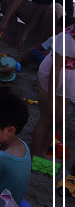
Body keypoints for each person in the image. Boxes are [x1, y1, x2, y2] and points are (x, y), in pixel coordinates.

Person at [31, 23, 75, 156]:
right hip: (51, 76)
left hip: (69, 77)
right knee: (47, 116)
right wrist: (51, 100)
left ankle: (43, 152)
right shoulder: (66, 38)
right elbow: (55, 69)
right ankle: (36, 155)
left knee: (59, 119)